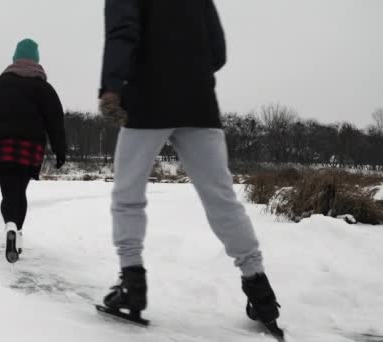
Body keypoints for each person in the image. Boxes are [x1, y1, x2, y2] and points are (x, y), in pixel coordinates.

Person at [98, 0, 282, 335]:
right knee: (222, 199)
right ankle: (260, 291)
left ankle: (132, 285)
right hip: (199, 102)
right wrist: (189, 72)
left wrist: (111, 86)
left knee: (128, 195)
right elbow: (218, 50)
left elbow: (122, 32)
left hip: (146, 99)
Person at [0, 38, 67, 264]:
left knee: (9, 192)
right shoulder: (44, 88)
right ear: (36, 60)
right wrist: (60, 151)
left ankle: (10, 225)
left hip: (2, 146)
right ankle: (17, 233)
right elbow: (55, 122)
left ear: (14, 58)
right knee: (21, 191)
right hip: (30, 148)